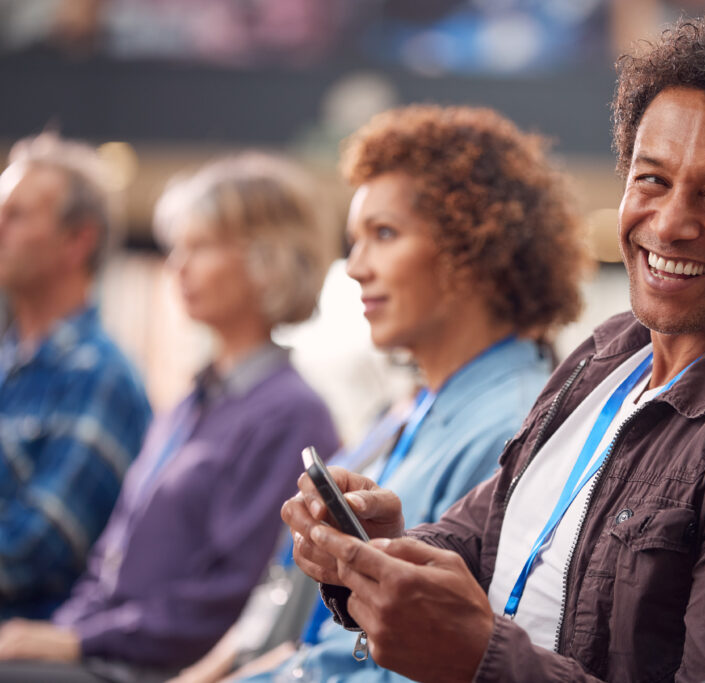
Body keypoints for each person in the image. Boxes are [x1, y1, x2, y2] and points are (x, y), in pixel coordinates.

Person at [283, 14, 705, 683]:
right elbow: (488, 535)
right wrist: (382, 552)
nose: (671, 223)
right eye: (651, 180)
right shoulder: (608, 353)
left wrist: (482, 659)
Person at [171, 104, 590, 683]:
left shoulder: (511, 426)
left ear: (473, 247)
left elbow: (426, 659)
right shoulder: (413, 412)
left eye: (384, 234)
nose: (354, 267)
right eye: (354, 240)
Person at [0, 153, 339, 682]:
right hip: (107, 652)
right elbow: (109, 561)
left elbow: (229, 599)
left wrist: (76, 639)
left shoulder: (291, 415)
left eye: (200, 246)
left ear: (267, 259)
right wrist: (55, 635)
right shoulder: (190, 404)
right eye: (178, 247)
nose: (177, 265)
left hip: (164, 669)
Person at [0, 133, 151, 621]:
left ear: (77, 241)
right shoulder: (9, 364)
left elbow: (38, 547)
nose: (0, 226)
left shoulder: (101, 377)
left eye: (16, 215)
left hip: (29, 642)